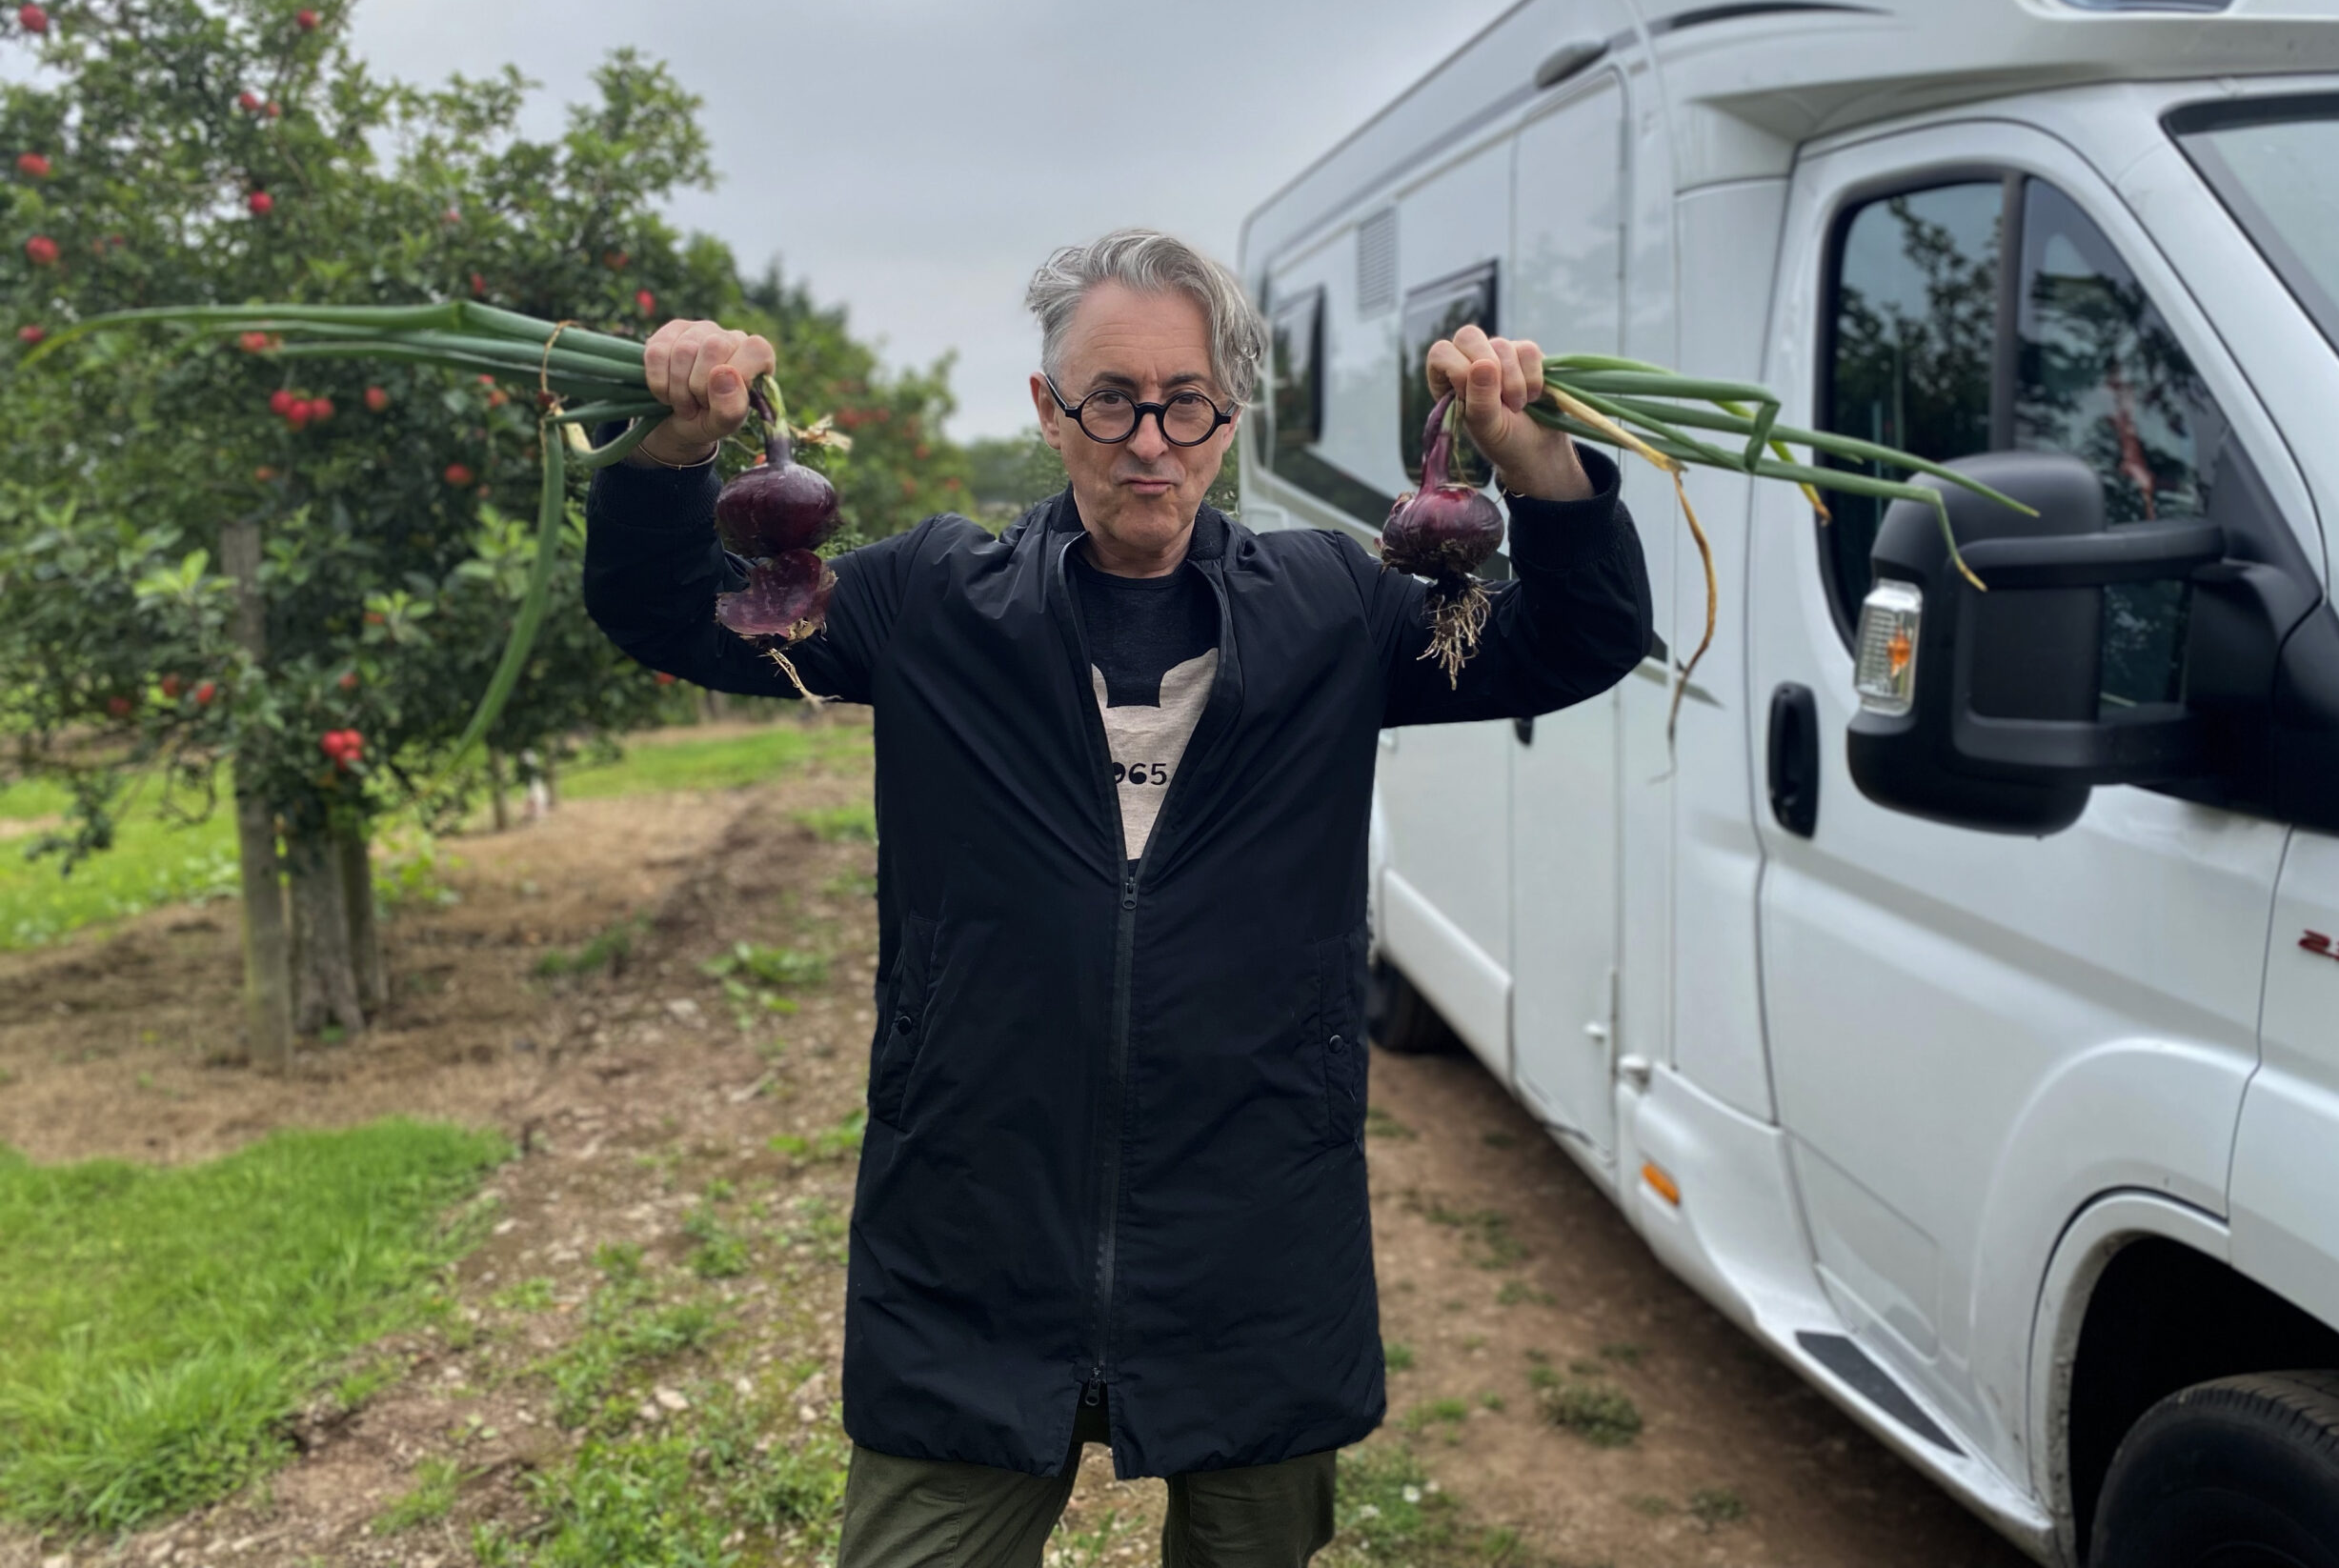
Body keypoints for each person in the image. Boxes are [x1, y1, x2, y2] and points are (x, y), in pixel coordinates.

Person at [582, 227, 1653, 1567]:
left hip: (1255, 1238)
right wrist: (675, 448)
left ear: (1229, 415)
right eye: (1110, 399)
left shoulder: (1337, 611)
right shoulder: (930, 605)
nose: (1149, 438)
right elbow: (667, 612)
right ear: (1049, 410)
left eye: (1185, 400)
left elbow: (1586, 637)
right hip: (970, 1230)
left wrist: (1529, 456)